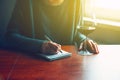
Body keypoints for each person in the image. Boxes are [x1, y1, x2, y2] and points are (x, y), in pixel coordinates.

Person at [1, 0, 99, 54]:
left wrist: (83, 40)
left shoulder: (76, 2)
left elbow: (75, 32)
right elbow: (10, 37)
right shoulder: (26, 2)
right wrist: (40, 46)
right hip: (32, 64)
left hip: (66, 66)